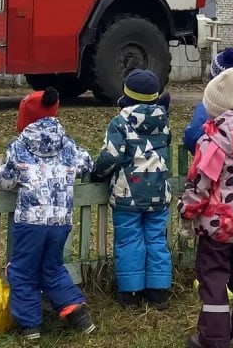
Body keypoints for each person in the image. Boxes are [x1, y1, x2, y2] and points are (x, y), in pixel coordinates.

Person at [0, 88, 97, 341]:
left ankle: (30, 325)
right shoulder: (67, 143)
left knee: (22, 270)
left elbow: (5, 181)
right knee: (52, 267)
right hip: (60, 219)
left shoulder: (19, 146)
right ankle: (78, 314)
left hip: (31, 221)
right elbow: (87, 164)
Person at [178, 67, 233, 348]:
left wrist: (186, 211)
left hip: (218, 225)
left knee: (214, 277)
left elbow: (200, 184)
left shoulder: (211, 143)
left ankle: (214, 337)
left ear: (213, 109)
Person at [91, 69, 173, 310]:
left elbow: (111, 156)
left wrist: (98, 172)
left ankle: (132, 291)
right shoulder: (164, 121)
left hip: (128, 193)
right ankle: (158, 291)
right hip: (158, 192)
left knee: (129, 241)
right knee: (156, 239)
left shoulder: (120, 123)